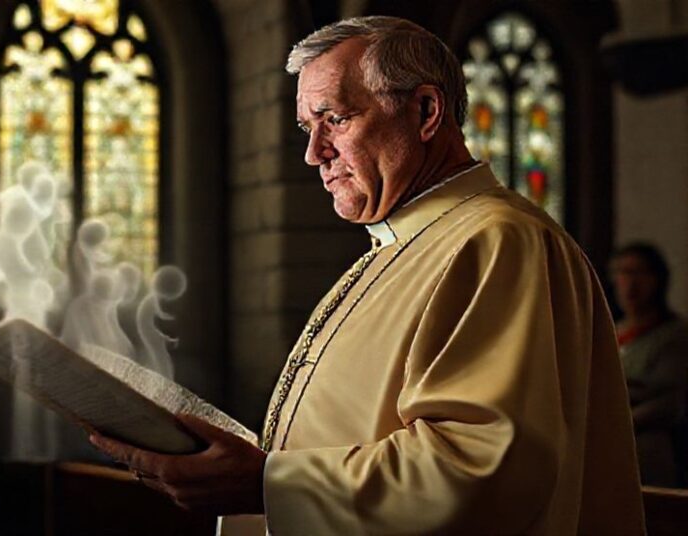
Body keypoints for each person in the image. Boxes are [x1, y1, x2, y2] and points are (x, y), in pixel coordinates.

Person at [89, 16, 645, 534]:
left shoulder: (498, 241)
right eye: (307, 126)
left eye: (335, 119)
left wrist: (263, 482)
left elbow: (483, 470)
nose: (313, 153)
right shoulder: (403, 244)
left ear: (426, 111)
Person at [611, 243, 688, 487]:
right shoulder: (610, 332)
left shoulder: (675, 335)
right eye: (623, 273)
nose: (631, 284)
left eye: (639, 273)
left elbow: (668, 401)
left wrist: (619, 425)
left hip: (646, 448)